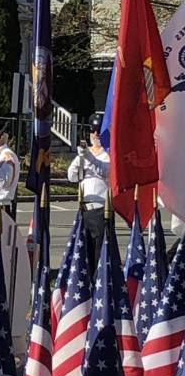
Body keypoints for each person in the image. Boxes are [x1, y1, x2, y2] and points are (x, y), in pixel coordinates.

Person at [68, 113, 110, 277]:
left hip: (101, 209)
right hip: (84, 208)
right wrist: (80, 158)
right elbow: (71, 176)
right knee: (84, 253)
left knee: (100, 252)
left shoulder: (108, 153)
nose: (96, 134)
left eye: (99, 131)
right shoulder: (85, 154)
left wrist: (89, 158)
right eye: (93, 130)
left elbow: (106, 171)